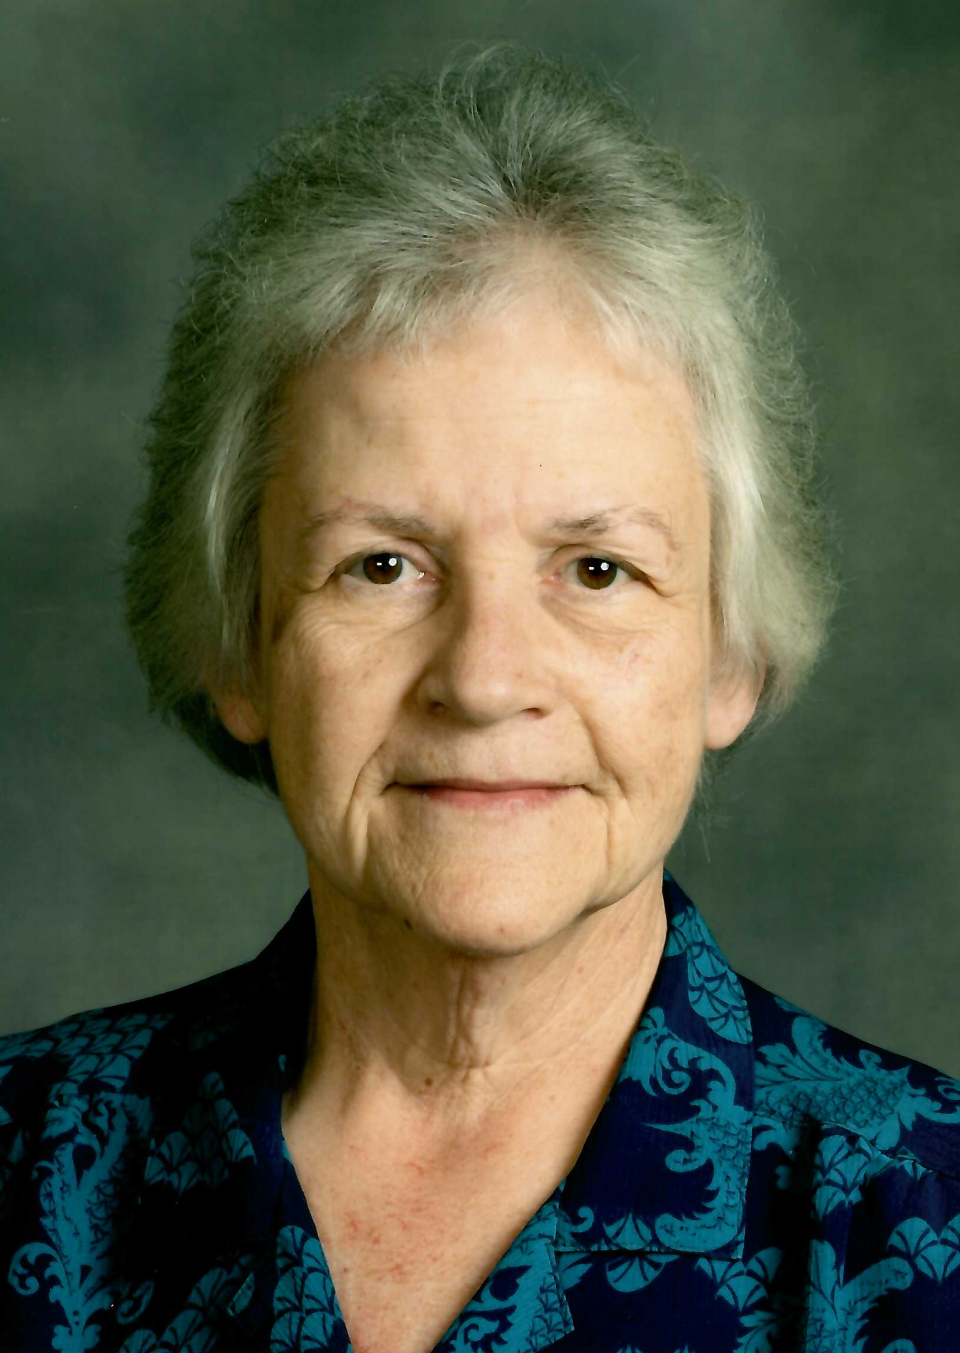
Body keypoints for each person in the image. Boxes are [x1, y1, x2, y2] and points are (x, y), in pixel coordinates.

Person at [1, 42, 958, 1353]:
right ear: (241, 643)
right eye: (381, 566)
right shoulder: (20, 1173)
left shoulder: (930, 1224)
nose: (485, 677)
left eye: (598, 569)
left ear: (732, 652)